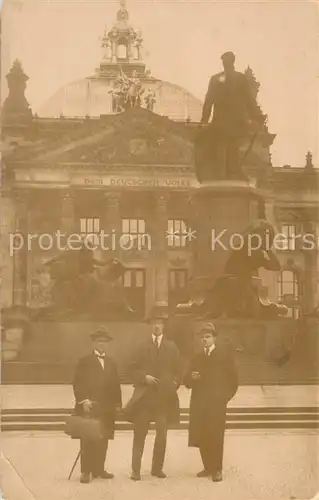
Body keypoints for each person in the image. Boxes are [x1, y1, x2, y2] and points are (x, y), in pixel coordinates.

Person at [125, 308, 181, 481]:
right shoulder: (141, 346)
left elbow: (179, 370)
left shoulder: (171, 347)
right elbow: (131, 368)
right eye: (154, 323)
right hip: (144, 398)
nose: (157, 326)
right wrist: (144, 377)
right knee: (139, 434)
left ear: (164, 326)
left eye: (160, 323)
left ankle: (157, 468)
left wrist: (174, 384)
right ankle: (135, 470)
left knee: (162, 434)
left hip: (163, 399)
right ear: (150, 325)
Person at [196, 51, 265, 181]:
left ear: (231, 62)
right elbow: (209, 101)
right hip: (227, 121)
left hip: (230, 121)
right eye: (224, 61)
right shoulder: (221, 79)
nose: (225, 63)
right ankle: (228, 173)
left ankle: (230, 172)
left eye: (226, 61)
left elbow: (248, 99)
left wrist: (257, 116)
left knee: (229, 147)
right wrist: (204, 121)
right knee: (225, 147)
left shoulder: (233, 79)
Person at [184, 322, 238, 482]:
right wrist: (190, 378)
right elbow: (186, 380)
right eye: (202, 338)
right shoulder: (197, 357)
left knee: (216, 436)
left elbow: (233, 381)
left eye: (207, 337)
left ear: (215, 338)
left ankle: (217, 469)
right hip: (199, 404)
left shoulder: (224, 356)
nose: (204, 340)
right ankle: (207, 467)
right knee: (202, 435)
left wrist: (223, 399)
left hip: (216, 404)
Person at [73, 326, 122, 483]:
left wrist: (117, 404)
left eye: (105, 342)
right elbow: (77, 383)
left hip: (106, 407)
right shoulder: (84, 361)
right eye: (99, 341)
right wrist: (83, 400)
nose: (102, 344)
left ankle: (99, 469)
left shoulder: (111, 362)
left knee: (104, 438)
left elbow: (116, 385)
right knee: (88, 439)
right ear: (93, 343)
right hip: (90, 406)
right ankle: (86, 471)